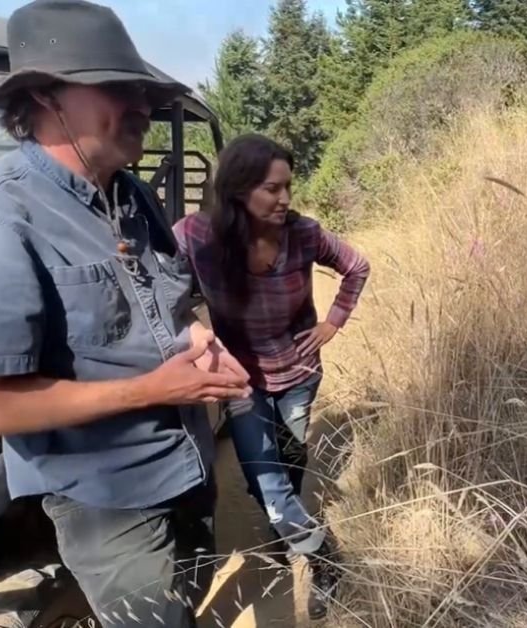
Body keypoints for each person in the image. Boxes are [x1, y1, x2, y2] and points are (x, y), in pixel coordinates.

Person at [0, 1, 251, 626]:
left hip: (186, 465)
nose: (144, 106)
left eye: (144, 89)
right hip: (109, 502)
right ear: (45, 96)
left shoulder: (132, 194)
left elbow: (159, 307)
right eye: (120, 88)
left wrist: (198, 336)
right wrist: (150, 390)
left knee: (188, 604)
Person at [173, 133, 371, 620]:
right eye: (271, 189)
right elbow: (162, 292)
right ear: (238, 188)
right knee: (265, 479)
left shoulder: (303, 233)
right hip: (241, 381)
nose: (285, 199)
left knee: (291, 456)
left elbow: (357, 267)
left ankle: (288, 527)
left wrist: (332, 323)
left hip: (299, 374)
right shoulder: (195, 236)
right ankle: (324, 558)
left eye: (288, 187)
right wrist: (201, 341)